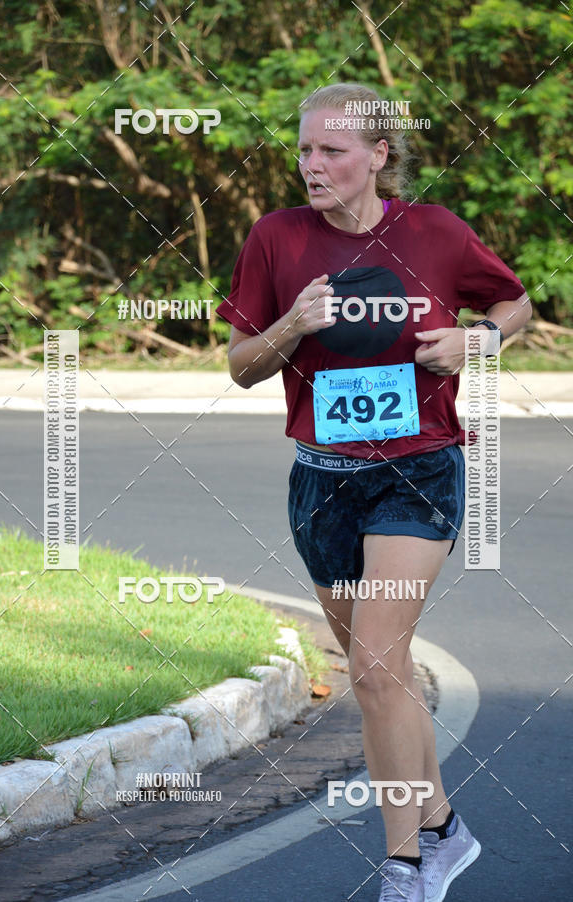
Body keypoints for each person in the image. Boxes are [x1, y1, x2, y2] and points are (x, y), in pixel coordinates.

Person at [216, 82, 531, 902]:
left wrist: (475, 341)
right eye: (304, 150)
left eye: (332, 152)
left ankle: (405, 867)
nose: (312, 165)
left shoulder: (432, 231)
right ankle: (445, 829)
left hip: (417, 472)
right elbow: (242, 365)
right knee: (377, 677)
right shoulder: (276, 238)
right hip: (320, 482)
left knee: (378, 662)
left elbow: (514, 301)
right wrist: (292, 326)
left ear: (379, 156)